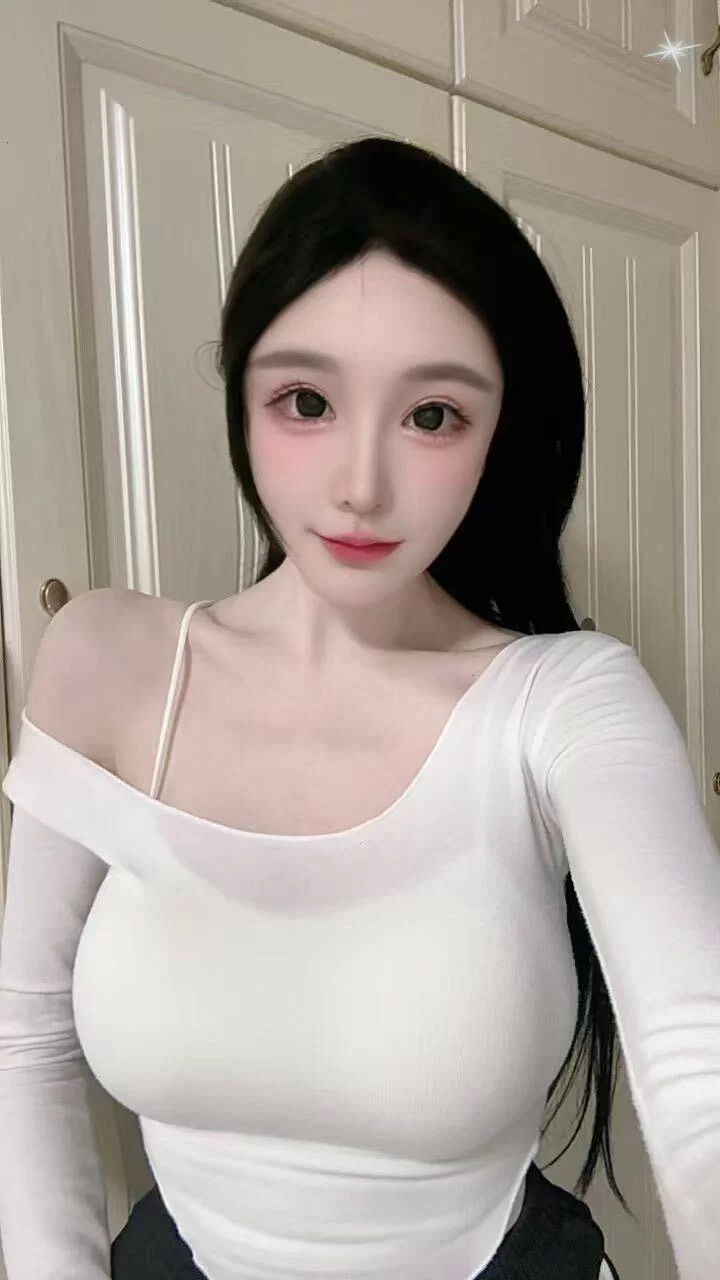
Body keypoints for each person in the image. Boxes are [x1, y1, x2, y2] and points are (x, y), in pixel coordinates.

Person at [0, 137, 717, 1280]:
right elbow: (24, 1037)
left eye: (432, 415)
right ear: (241, 396)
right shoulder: (108, 662)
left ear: (500, 430)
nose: (360, 486)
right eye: (306, 401)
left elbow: (698, 1061)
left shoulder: (565, 701)